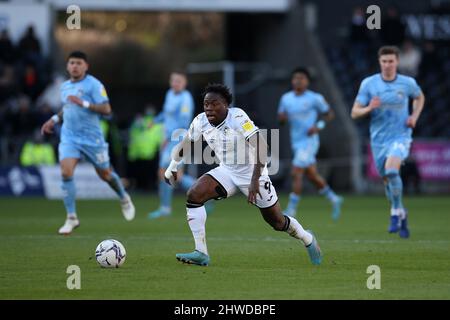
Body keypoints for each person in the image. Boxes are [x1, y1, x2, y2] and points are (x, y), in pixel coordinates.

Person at [163, 83, 322, 266]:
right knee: (194, 194)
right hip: (228, 171)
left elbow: (262, 146)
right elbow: (187, 143)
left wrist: (255, 180)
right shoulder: (200, 121)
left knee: (277, 222)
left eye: (214, 104)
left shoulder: (237, 117)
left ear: (226, 105)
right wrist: (172, 166)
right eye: (206, 104)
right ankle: (201, 252)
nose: (209, 108)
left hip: (254, 173)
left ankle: (307, 238)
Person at [41, 51, 135, 235]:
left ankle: (123, 197)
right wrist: (53, 119)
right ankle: (71, 217)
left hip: (92, 139)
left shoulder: (94, 84)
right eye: (71, 63)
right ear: (68, 66)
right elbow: (67, 107)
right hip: (70, 138)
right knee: (65, 172)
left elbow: (107, 109)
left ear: (86, 66)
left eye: (78, 63)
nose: (74, 66)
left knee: (106, 175)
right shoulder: (65, 86)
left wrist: (84, 103)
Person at [351, 46, 425, 238]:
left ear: (397, 62)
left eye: (391, 61)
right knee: (387, 180)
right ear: (380, 62)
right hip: (378, 140)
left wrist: (414, 117)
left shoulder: (407, 83)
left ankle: (394, 213)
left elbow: (419, 97)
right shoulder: (369, 83)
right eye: (384, 61)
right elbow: (354, 112)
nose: (387, 65)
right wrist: (369, 108)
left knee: (392, 170)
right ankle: (401, 211)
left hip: (401, 136)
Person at [278, 67, 343, 220]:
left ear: (307, 81)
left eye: (301, 78)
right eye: (295, 78)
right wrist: (282, 118)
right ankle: (334, 198)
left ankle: (291, 209)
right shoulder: (286, 98)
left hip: (309, 141)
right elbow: (281, 119)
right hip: (296, 141)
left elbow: (329, 114)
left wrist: (318, 126)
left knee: (296, 172)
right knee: (312, 175)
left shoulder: (315, 98)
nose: (298, 81)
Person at [147, 72, 199, 219]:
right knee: (175, 176)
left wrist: (168, 138)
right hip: (170, 140)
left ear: (184, 83)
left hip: (179, 140)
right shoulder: (170, 94)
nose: (175, 83)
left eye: (179, 81)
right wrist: (155, 121)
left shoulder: (185, 99)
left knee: (166, 173)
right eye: (173, 81)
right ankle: (205, 194)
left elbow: (183, 123)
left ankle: (165, 208)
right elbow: (166, 113)